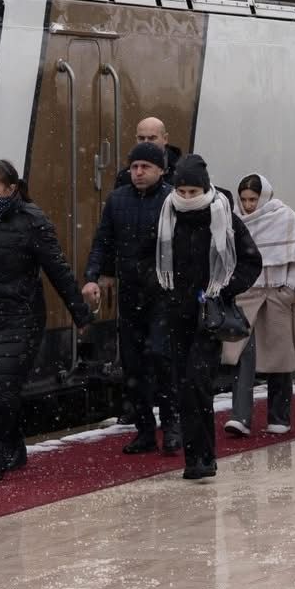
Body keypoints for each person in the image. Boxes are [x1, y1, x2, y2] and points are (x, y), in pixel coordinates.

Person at [0, 159, 89, 481]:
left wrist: (79, 313)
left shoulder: (32, 223)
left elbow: (58, 270)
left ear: (11, 189)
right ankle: (16, 447)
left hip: (20, 320)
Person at [153, 154, 261, 481]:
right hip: (176, 315)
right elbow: (148, 258)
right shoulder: (166, 215)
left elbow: (250, 261)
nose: (186, 198)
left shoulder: (222, 215)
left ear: (204, 187)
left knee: (197, 383)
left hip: (208, 317)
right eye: (182, 191)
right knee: (183, 385)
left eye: (192, 191)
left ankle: (202, 458)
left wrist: (223, 289)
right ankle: (197, 457)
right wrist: (163, 289)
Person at [84, 142, 178, 455]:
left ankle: (172, 425)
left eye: (145, 167)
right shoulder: (117, 200)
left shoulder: (172, 201)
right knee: (133, 363)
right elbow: (103, 240)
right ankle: (145, 431)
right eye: (134, 167)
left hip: (164, 292)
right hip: (131, 292)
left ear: (161, 170)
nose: (137, 173)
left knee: (161, 356)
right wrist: (93, 276)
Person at [223, 175, 295, 438]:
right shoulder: (233, 223)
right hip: (247, 297)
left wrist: (288, 293)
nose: (249, 205)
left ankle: (279, 417)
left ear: (265, 196)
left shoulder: (286, 219)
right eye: (243, 199)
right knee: (242, 355)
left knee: (280, 359)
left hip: (276, 296)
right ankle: (240, 416)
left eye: (253, 199)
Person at [114, 115, 181, 188]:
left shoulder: (181, 173)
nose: (146, 143)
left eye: (152, 138)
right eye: (141, 138)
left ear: (165, 139)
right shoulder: (125, 176)